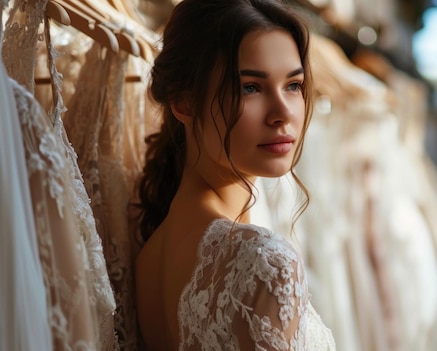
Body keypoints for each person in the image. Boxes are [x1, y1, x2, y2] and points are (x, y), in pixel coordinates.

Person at [133, 0, 336, 350]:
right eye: (251, 87)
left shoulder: (149, 254)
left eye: (293, 85)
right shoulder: (266, 262)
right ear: (184, 103)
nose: (283, 113)